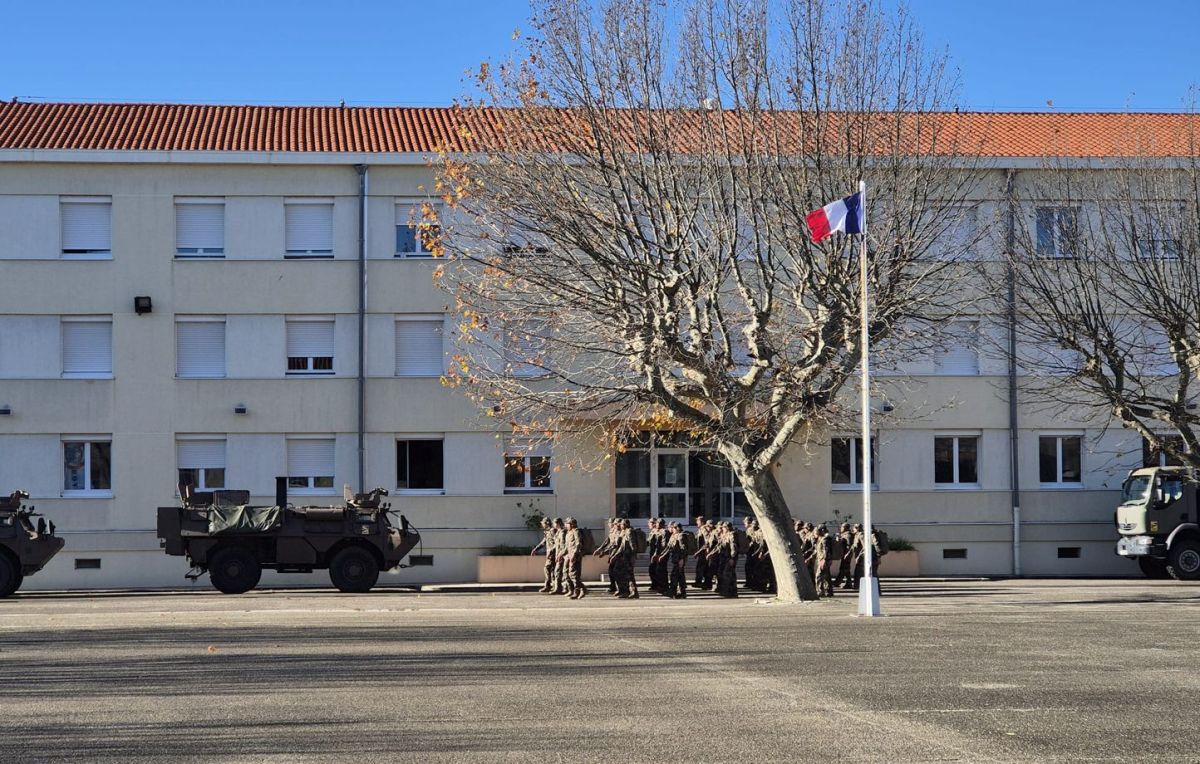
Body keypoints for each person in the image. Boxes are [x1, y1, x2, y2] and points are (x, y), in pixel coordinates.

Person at [659, 522, 689, 599]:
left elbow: (684, 549)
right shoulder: (673, 536)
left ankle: (673, 592)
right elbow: (669, 547)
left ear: (677, 528)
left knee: (674, 576)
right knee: (680, 577)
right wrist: (662, 555)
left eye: (673, 528)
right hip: (675, 559)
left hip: (679, 560)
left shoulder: (681, 536)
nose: (672, 529)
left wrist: (682, 560)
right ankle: (682, 593)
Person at [612, 518, 639, 598]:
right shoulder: (624, 532)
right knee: (622, 573)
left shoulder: (629, 531)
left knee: (629, 574)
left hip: (628, 556)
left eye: (621, 524)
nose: (620, 525)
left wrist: (633, 556)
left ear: (625, 525)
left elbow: (631, 544)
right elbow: (622, 546)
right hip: (624, 556)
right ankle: (625, 591)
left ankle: (632, 592)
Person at [531, 517, 558, 594]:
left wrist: (551, 551)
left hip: (553, 554)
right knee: (551, 570)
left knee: (548, 568)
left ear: (546, 523)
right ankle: (552, 586)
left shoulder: (553, 531)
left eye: (543, 523)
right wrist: (536, 549)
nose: (542, 525)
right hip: (550, 554)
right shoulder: (547, 532)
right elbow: (543, 542)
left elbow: (557, 543)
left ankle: (550, 586)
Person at [712, 522, 739, 598]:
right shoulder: (724, 535)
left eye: (723, 527)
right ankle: (731, 592)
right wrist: (711, 553)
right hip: (725, 558)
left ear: (727, 528)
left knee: (727, 574)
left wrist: (732, 558)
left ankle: (729, 592)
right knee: (729, 575)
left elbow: (733, 546)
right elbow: (719, 546)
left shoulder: (731, 535)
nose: (722, 529)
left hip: (730, 558)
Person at [563, 517, 587, 599]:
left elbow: (578, 543)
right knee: (566, 573)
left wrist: (574, 553)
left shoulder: (576, 531)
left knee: (573, 574)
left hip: (575, 555)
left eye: (567, 524)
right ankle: (575, 590)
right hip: (569, 555)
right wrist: (561, 554)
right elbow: (567, 546)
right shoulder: (568, 533)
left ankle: (579, 590)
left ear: (572, 524)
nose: (566, 525)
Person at [814, 525, 834, 598]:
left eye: (818, 530)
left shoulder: (825, 539)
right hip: (821, 560)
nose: (816, 532)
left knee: (818, 576)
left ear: (822, 530)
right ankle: (828, 592)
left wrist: (824, 560)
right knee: (826, 576)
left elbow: (826, 550)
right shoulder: (820, 539)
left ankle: (820, 591)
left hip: (824, 560)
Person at [833, 523, 855, 589]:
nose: (841, 528)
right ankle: (847, 583)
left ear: (845, 528)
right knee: (845, 569)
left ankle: (839, 582)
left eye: (842, 527)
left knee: (844, 569)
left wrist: (847, 554)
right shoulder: (844, 534)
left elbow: (849, 546)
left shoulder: (848, 535)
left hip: (846, 554)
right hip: (844, 554)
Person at [691, 515, 710, 590]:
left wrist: (699, 552)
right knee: (704, 568)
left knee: (700, 568)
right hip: (701, 552)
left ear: (702, 522)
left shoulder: (704, 529)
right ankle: (705, 583)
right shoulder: (700, 529)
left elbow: (707, 542)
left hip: (703, 552)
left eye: (697, 521)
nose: (696, 522)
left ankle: (701, 582)